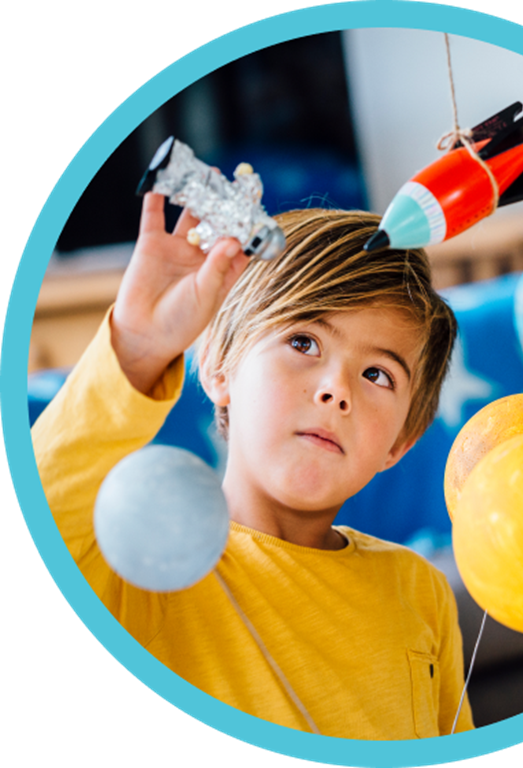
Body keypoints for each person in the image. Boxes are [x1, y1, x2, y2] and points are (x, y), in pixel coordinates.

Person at [32, 192, 474, 739]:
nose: (337, 390)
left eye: (378, 375)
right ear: (219, 365)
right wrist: (139, 349)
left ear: (400, 442)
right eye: (304, 341)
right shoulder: (138, 570)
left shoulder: (420, 590)